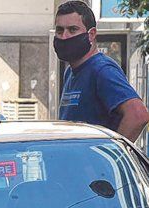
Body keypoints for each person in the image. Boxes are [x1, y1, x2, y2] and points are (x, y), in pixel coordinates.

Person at [55, 1, 148, 141]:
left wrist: (112, 156)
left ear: (91, 34)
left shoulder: (102, 70)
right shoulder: (70, 72)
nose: (64, 36)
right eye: (60, 30)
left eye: (72, 29)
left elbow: (138, 114)